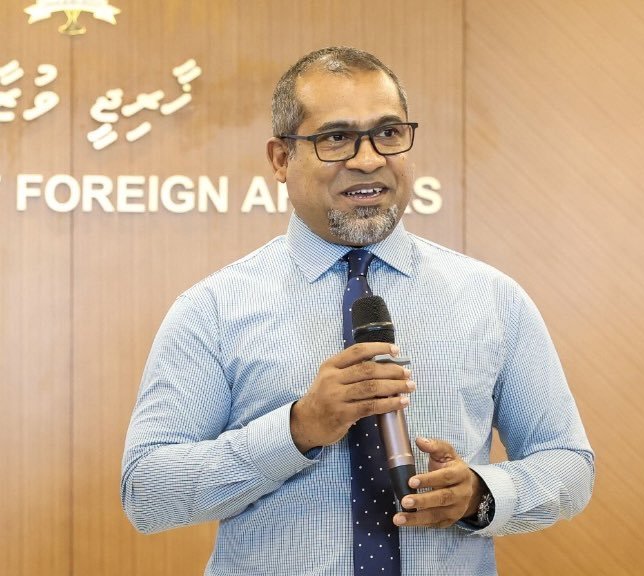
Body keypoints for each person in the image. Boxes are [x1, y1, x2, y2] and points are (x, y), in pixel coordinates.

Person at [121, 46, 594, 576]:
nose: (368, 159)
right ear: (281, 159)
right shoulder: (212, 309)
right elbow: (147, 493)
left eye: (388, 133)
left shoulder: (492, 298)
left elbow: (569, 466)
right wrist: (298, 428)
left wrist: (481, 494)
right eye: (336, 138)